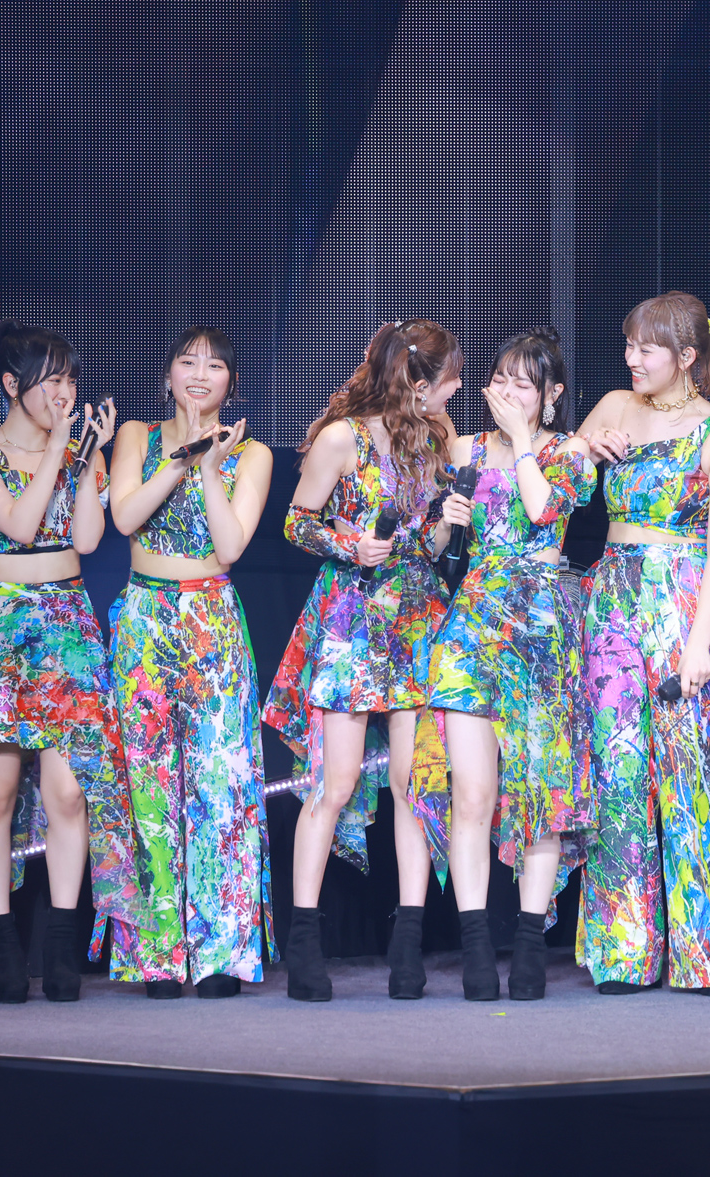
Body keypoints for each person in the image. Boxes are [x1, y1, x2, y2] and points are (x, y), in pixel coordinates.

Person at [0, 321, 143, 1004]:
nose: (64, 391)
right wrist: (60, 447)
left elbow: (85, 538)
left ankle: (60, 945)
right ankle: (2, 944)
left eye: (70, 378)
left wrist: (88, 461)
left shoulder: (80, 453)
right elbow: (21, 525)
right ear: (11, 383)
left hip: (68, 628)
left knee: (68, 794)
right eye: (51, 378)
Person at [264, 319, 462, 1000]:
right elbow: (296, 520)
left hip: (417, 617)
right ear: (418, 381)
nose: (455, 391)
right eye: (449, 379)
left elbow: (430, 544)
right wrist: (349, 543)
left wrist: (444, 528)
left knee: (412, 786)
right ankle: (304, 941)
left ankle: (408, 945)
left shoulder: (436, 439)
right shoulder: (342, 437)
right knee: (336, 784)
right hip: (351, 618)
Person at [570, 290, 710, 995]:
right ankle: (623, 951)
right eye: (629, 345)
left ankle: (705, 955)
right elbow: (550, 488)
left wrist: (700, 642)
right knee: (617, 771)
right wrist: (582, 449)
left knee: (689, 772)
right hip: (612, 595)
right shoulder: (615, 405)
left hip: (682, 596)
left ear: (687, 356)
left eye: (646, 348)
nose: (632, 359)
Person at [420, 327, 598, 1000]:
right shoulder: (462, 449)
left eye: (524, 382)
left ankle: (528, 945)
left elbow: (542, 507)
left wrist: (522, 438)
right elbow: (431, 547)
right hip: (473, 623)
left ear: (552, 394)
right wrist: (445, 521)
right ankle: (473, 945)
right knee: (473, 792)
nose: (506, 391)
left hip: (542, 629)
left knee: (541, 795)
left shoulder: (571, 451)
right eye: (500, 378)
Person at [105, 327, 275, 999]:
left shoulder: (253, 454)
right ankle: (157, 952)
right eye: (188, 360)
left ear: (231, 381)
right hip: (145, 617)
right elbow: (124, 517)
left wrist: (210, 466)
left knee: (219, 782)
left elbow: (230, 546)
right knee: (148, 783)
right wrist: (180, 459)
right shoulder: (135, 438)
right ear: (168, 374)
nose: (200, 373)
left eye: (215, 364)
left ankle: (221, 952)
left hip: (212, 617)